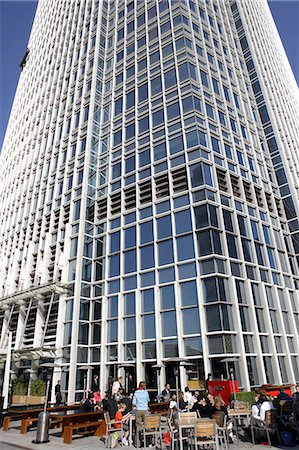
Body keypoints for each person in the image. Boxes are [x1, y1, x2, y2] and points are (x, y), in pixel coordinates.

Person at [132, 381, 150, 448]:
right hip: (145, 409)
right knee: (147, 425)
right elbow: (148, 400)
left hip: (138, 410)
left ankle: (137, 444)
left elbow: (134, 402)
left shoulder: (136, 393)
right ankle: (147, 442)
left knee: (138, 427)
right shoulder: (146, 392)